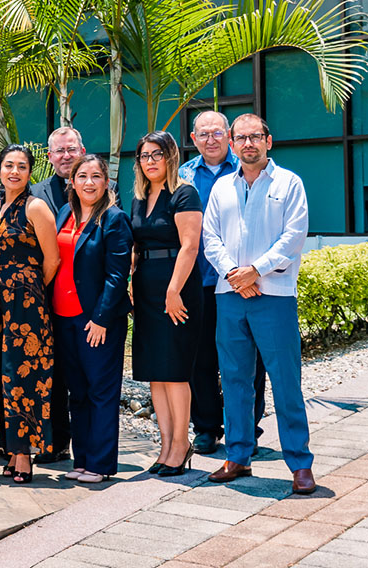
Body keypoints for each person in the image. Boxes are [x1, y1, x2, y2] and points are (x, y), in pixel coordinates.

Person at [203, 114, 315, 495]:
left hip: (275, 296)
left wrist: (256, 271)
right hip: (230, 296)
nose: (248, 143)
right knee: (234, 380)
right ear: (232, 145)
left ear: (269, 141)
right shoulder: (221, 188)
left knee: (286, 381)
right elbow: (210, 237)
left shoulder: (289, 184)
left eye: (255, 137)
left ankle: (299, 463)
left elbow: (293, 236)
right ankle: (237, 456)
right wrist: (236, 273)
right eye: (241, 138)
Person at [179, 111, 266, 456]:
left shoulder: (247, 167)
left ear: (229, 136)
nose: (211, 139)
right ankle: (206, 428)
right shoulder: (183, 175)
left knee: (247, 359)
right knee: (200, 360)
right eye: (204, 133)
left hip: (241, 282)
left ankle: (246, 428)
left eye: (217, 132)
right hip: (198, 282)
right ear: (193, 137)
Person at [0, 144, 60, 484]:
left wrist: (28, 291)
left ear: (30, 173)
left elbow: (52, 259)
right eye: (9, 165)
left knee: (25, 378)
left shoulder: (36, 207)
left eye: (22, 166)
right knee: (0, 375)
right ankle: (8, 449)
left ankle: (25, 454)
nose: (14, 171)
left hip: (26, 310)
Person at [53, 156, 133, 483]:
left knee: (101, 391)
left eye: (96, 176)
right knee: (78, 392)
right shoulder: (64, 214)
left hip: (96, 321)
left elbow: (117, 276)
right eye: (82, 176)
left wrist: (101, 318)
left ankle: (100, 464)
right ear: (72, 181)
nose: (89, 182)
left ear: (106, 182)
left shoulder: (114, 219)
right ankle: (82, 460)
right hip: (64, 318)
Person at [129, 131, 204, 478]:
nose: (150, 161)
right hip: (145, 289)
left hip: (177, 288)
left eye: (156, 154)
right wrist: (131, 281)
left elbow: (189, 246)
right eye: (144, 156)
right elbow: (136, 245)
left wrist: (173, 291)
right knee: (155, 374)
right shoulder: (139, 198)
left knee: (174, 372)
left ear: (171, 156)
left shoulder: (184, 193)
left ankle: (180, 444)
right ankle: (164, 445)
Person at [30, 126, 84, 464]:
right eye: (59, 151)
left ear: (81, 151)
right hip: (44, 297)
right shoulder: (36, 192)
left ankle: (89, 444)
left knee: (83, 374)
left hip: (85, 298)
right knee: (51, 375)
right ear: (49, 157)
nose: (66, 156)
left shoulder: (102, 187)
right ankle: (56, 442)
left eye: (71, 149)